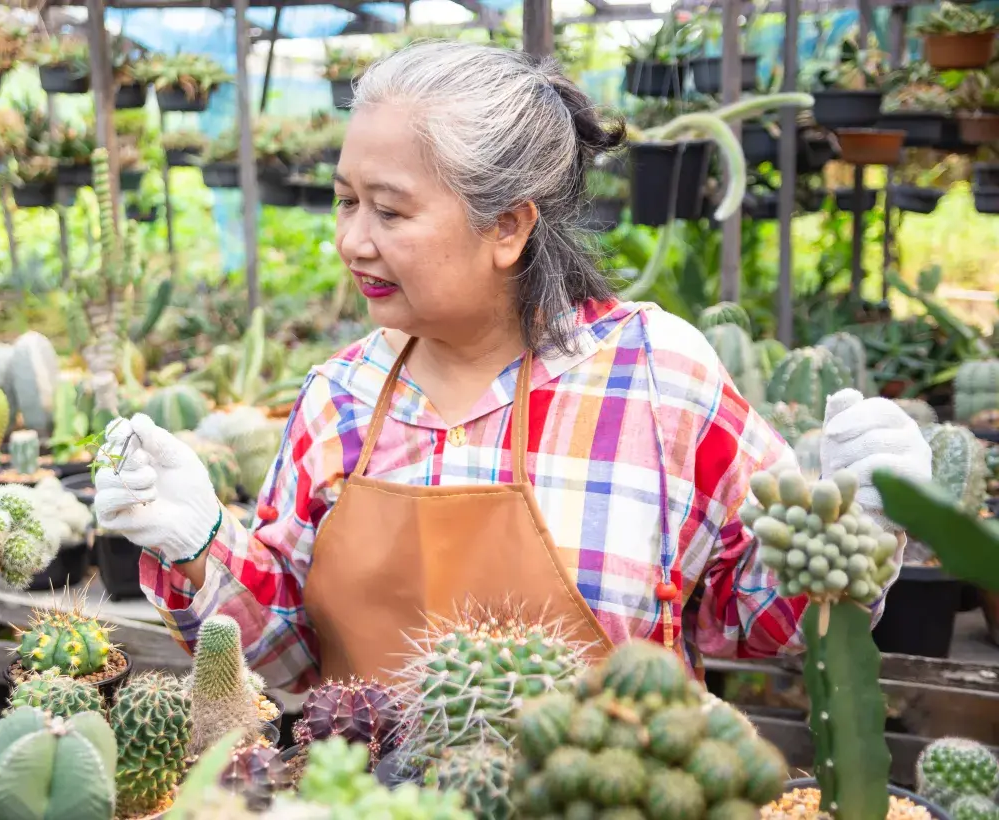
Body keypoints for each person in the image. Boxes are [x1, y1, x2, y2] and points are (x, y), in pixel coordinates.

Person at [93, 41, 931, 694]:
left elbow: (765, 628)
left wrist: (856, 521)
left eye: (389, 209)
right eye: (347, 200)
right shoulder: (337, 400)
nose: (352, 240)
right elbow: (288, 663)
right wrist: (201, 546)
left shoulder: (655, 379)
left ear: (508, 226)